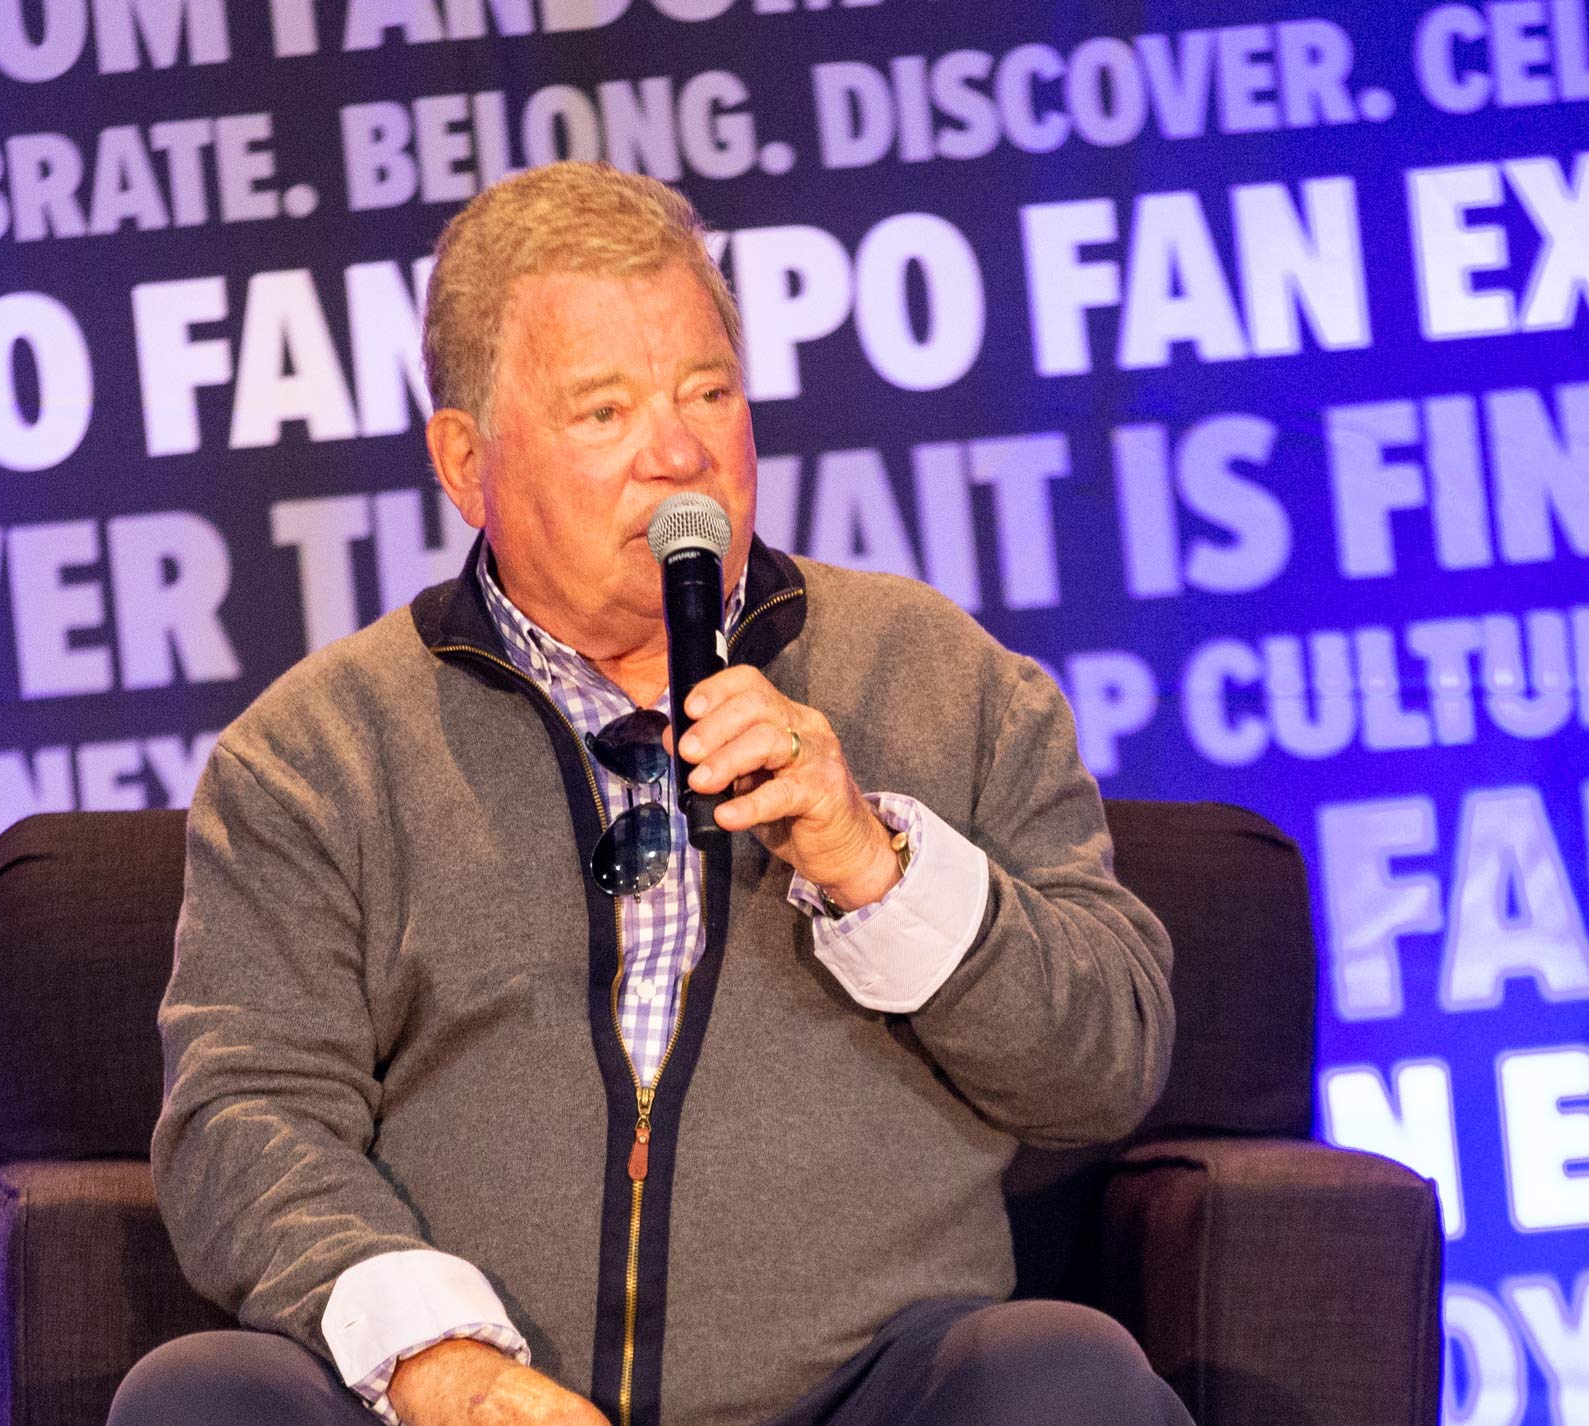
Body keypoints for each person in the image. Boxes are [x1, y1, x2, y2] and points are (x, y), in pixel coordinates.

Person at [109, 162, 1190, 1426]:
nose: (678, 457)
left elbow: (1104, 1063)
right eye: (604, 411)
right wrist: (438, 1363)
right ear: (465, 462)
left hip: (865, 1399)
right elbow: (245, 1117)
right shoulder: (315, 755)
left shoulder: (944, 680)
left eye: (708, 394)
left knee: (1063, 1374)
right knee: (198, 1398)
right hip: (480, 1405)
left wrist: (873, 863)